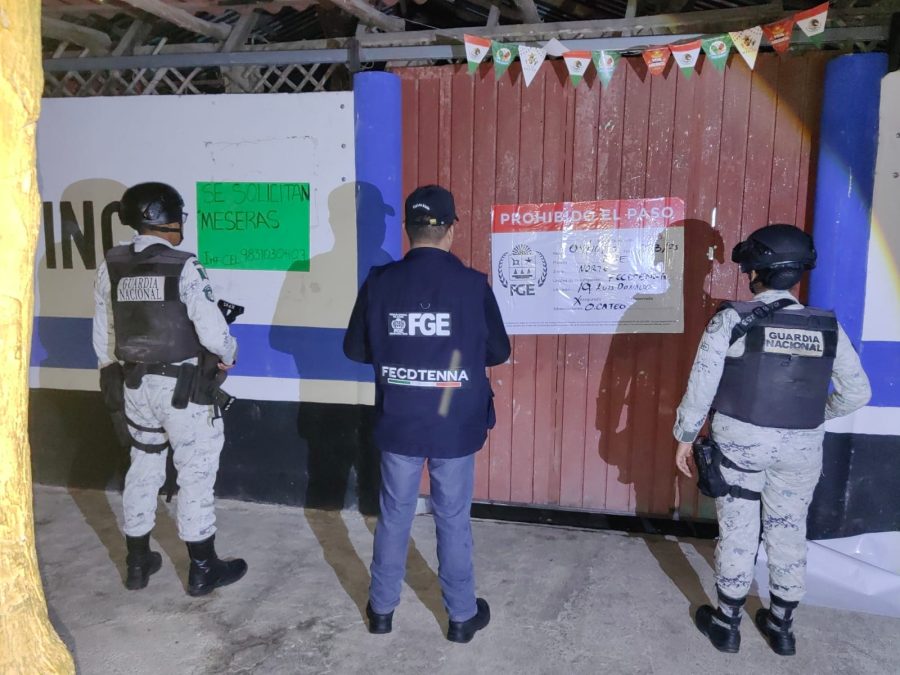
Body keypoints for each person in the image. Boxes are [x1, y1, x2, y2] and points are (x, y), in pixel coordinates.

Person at [673, 224, 870, 656]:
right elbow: (858, 393)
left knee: (739, 531)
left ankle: (726, 625)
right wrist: (812, 417)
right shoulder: (827, 327)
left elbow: (701, 388)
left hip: (740, 446)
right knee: (788, 530)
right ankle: (781, 628)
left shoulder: (733, 319)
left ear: (755, 272)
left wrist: (685, 437)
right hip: (801, 450)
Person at [343, 184, 511, 643]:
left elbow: (355, 349)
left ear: (407, 229)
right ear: (451, 229)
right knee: (452, 517)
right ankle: (461, 617)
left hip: (399, 419)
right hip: (454, 422)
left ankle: (381, 611)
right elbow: (498, 351)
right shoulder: (472, 286)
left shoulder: (380, 282)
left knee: (394, 514)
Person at [92, 182, 247, 596]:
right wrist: (228, 354)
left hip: (134, 385)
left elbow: (104, 334)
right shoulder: (184, 265)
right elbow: (213, 333)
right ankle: (203, 569)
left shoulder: (111, 265)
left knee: (143, 467)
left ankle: (137, 562)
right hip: (184, 391)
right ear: (167, 219)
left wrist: (112, 374)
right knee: (195, 471)